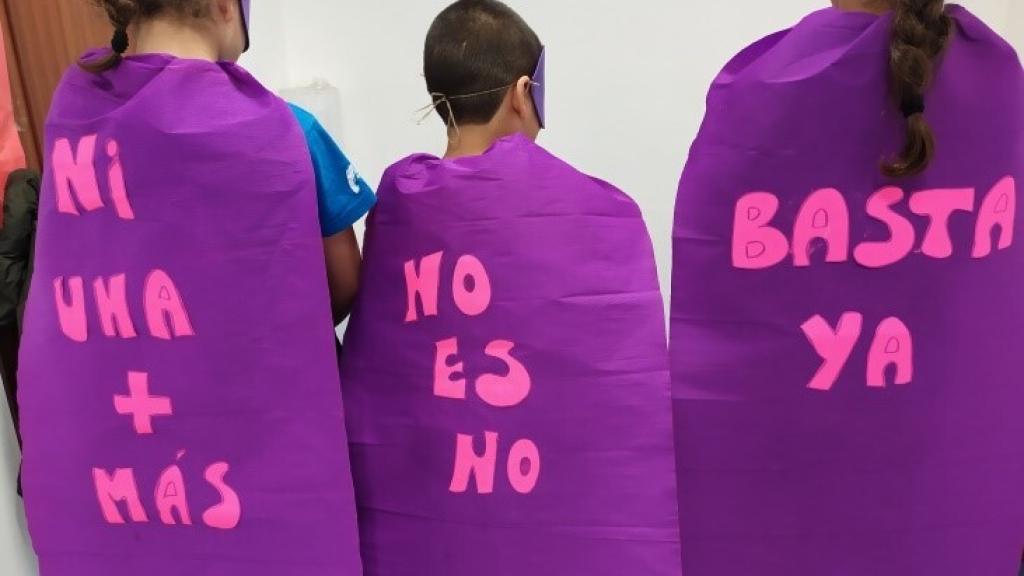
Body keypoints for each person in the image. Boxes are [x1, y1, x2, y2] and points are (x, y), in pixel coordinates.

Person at [671, 1, 1023, 575]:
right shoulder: (1000, 79)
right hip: (955, 492)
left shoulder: (763, 87)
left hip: (793, 497)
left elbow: (719, 317)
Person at [18, 1, 365, 574]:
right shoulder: (290, 128)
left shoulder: (72, 129)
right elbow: (344, 282)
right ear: (229, 8)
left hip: (120, 458)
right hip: (253, 461)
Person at [337, 2, 680, 575]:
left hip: (429, 505)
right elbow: (618, 388)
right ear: (525, 92)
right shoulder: (599, 212)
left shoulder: (397, 203)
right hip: (549, 511)